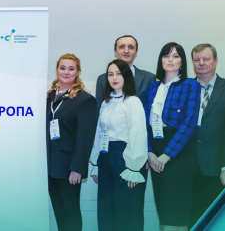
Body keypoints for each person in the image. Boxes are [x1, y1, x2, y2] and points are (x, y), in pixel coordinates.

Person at [144, 43, 200, 231]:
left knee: (175, 210)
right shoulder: (153, 87)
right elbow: (145, 122)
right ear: (160, 60)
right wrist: (149, 151)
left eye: (176, 56)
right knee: (164, 208)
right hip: (155, 149)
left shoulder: (191, 84)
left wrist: (167, 155)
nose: (170, 59)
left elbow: (190, 122)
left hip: (178, 150)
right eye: (166, 55)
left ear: (182, 62)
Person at [90, 59, 148, 231]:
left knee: (125, 208)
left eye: (118, 73)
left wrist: (133, 168)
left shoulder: (132, 102)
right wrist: (95, 163)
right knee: (106, 209)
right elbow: (98, 132)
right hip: (105, 156)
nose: (114, 78)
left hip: (124, 157)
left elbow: (137, 132)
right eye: (110, 74)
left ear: (127, 76)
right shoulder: (106, 103)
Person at [46, 54, 98, 231]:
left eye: (71, 69)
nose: (66, 72)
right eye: (62, 68)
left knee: (71, 211)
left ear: (77, 72)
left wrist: (77, 167)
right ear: (57, 70)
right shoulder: (48, 97)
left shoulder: (85, 100)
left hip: (69, 167)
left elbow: (85, 137)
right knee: (59, 212)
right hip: (49, 165)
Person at [188, 44, 225, 228]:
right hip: (187, 169)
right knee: (191, 220)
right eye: (197, 60)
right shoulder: (184, 89)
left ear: (216, 61)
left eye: (206, 59)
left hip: (216, 168)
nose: (201, 63)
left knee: (213, 221)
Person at [95, 35, 155, 112]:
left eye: (131, 47)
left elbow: (152, 109)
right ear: (115, 52)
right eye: (122, 47)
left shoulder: (149, 78)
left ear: (136, 53)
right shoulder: (102, 79)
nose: (126, 51)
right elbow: (98, 110)